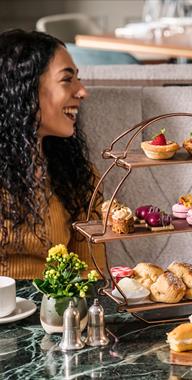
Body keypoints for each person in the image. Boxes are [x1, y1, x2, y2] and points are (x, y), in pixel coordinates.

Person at [0, 29, 104, 279]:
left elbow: (91, 274)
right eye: (67, 79)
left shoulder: (79, 175)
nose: (82, 92)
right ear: (25, 88)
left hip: (54, 313)